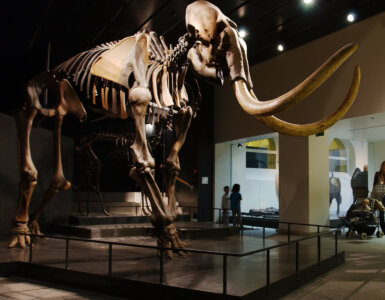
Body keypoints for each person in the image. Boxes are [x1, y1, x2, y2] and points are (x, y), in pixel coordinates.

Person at [372, 161, 385, 233]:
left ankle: (383, 228)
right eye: (383, 166)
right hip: (377, 195)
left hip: (384, 196)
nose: (384, 167)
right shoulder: (377, 174)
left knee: (382, 212)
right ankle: (383, 228)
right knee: (380, 212)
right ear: (381, 166)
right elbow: (374, 184)